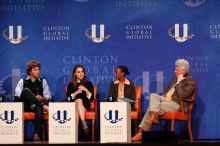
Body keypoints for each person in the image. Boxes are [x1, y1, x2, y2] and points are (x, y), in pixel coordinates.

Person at [131, 59, 197, 142]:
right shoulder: (174, 79)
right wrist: (162, 98)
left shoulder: (191, 82)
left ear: (183, 70)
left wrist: (179, 82)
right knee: (153, 95)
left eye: (177, 69)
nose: (175, 71)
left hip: (178, 104)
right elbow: (166, 91)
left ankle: (141, 132)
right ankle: (153, 116)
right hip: (166, 100)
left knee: (152, 108)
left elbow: (182, 95)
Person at [15, 60, 51, 141]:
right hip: (24, 106)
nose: (38, 72)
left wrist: (42, 98)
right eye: (35, 70)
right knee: (26, 90)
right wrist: (32, 97)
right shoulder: (22, 81)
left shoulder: (42, 81)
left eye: (38, 69)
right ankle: (44, 106)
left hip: (35, 106)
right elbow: (17, 96)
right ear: (30, 71)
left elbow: (48, 96)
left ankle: (36, 134)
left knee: (38, 108)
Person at [66, 64, 94, 133]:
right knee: (78, 100)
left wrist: (86, 90)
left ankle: (74, 134)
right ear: (75, 74)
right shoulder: (71, 85)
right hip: (73, 106)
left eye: (82, 72)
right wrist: (76, 93)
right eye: (78, 72)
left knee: (79, 102)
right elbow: (68, 99)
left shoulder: (88, 83)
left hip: (85, 107)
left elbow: (91, 98)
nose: (81, 74)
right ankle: (83, 122)